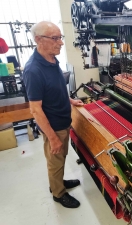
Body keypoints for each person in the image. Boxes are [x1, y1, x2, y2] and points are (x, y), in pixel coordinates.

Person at [23, 21, 84, 208]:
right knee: (55, 160)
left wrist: (70, 100)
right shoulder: (34, 70)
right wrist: (52, 137)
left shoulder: (51, 60)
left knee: (61, 157)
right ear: (38, 40)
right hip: (53, 126)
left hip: (63, 120)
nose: (60, 43)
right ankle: (58, 193)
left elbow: (57, 88)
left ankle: (58, 182)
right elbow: (35, 109)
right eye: (55, 38)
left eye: (60, 38)